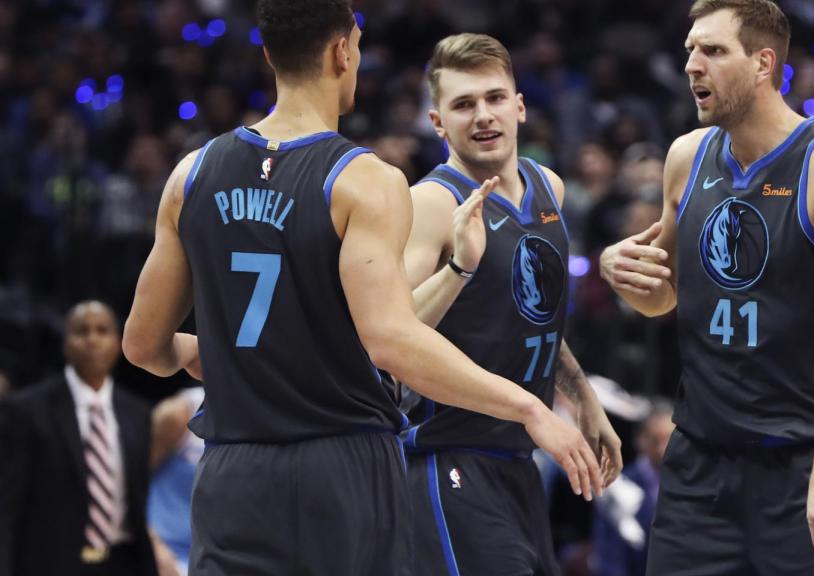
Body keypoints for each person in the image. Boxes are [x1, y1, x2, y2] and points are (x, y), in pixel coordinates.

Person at [121, 2, 601, 575]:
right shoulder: (364, 179)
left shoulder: (192, 174)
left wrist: (206, 350)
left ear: (270, 54)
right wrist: (528, 406)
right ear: (342, 52)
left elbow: (144, 346)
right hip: (341, 463)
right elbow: (391, 340)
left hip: (233, 470)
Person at [599, 0, 814, 573]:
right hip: (701, 468)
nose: (692, 65)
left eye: (713, 51)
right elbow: (664, 296)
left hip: (804, 459)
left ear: (763, 63)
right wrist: (620, 271)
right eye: (689, 51)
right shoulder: (685, 157)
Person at [400, 33, 621, 576]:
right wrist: (458, 267)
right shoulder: (430, 202)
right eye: (463, 104)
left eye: (495, 98)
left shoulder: (549, 188)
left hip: (519, 460)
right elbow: (391, 335)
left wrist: (583, 398)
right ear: (437, 123)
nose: (483, 116)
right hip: (447, 458)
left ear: (519, 107)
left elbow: (532, 318)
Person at [0, 301, 158, 576]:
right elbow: (8, 505)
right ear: (65, 342)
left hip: (122, 562)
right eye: (81, 331)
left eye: (102, 330)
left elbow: (137, 500)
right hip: (51, 564)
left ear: (118, 341)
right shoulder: (26, 411)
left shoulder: (138, 413)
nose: (92, 339)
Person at [592, 400, 674, 576]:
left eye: (669, 439)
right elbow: (610, 557)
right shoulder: (617, 485)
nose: (662, 449)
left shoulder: (689, 482)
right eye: (655, 440)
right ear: (640, 440)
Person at [147, 386, 205, 576]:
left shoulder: (280, 420)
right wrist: (152, 547)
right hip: (167, 556)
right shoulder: (177, 415)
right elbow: (127, 483)